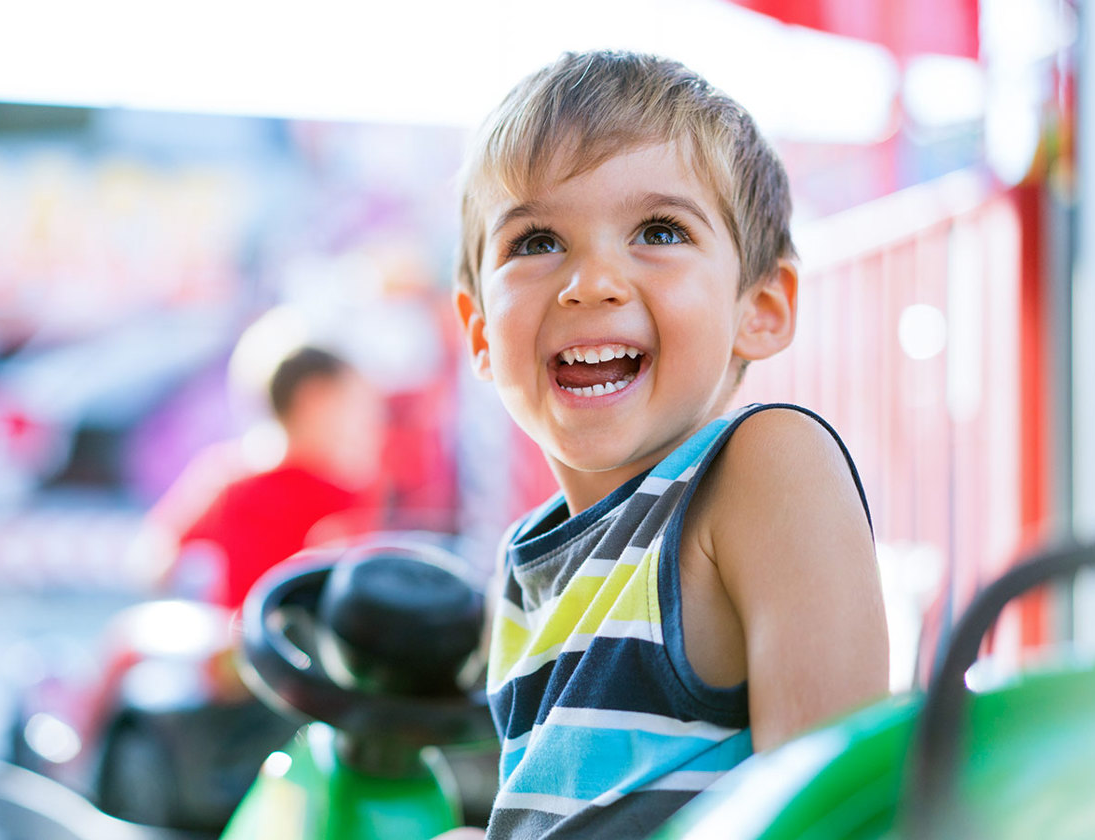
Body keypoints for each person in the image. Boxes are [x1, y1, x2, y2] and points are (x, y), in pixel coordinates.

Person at [442, 51, 890, 838]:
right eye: (538, 240)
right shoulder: (524, 567)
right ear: (480, 331)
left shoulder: (762, 468)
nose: (591, 281)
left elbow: (835, 808)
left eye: (658, 230)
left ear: (761, 307)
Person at [147, 345, 386, 610]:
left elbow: (156, 560)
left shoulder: (227, 476)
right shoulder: (349, 493)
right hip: (301, 645)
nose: (365, 419)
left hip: (238, 642)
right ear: (314, 399)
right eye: (352, 402)